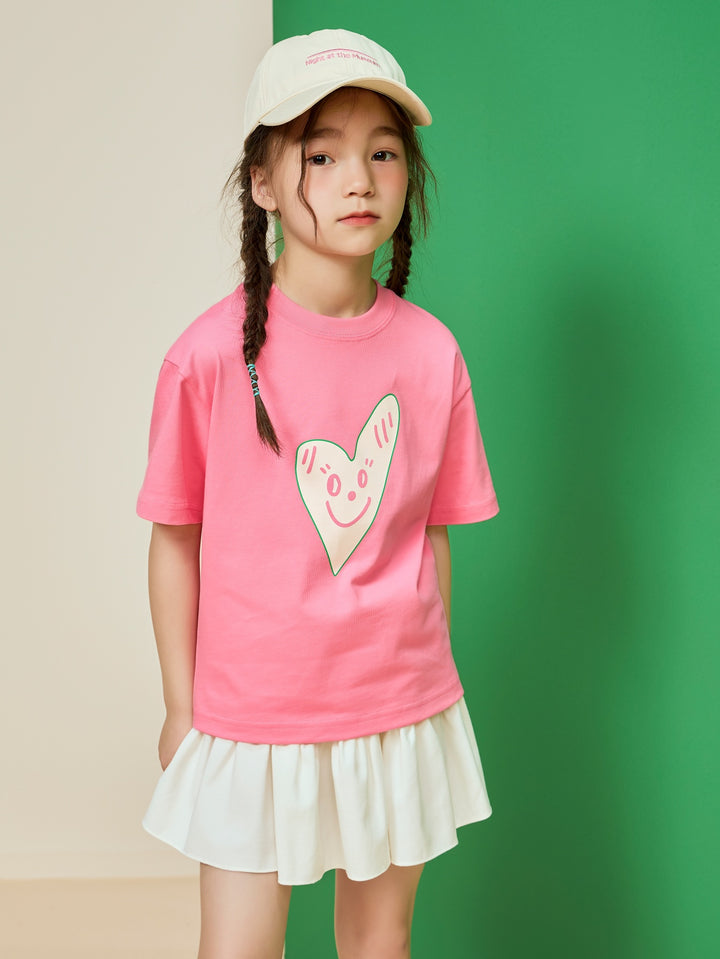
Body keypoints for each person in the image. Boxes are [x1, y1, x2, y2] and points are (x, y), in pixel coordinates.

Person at [137, 27, 499, 959]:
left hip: (396, 709)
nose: (359, 180)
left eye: (384, 153)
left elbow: (431, 537)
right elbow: (175, 537)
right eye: (323, 153)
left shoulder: (432, 353)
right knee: (239, 946)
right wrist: (181, 705)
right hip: (251, 711)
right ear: (262, 181)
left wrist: (424, 683)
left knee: (380, 942)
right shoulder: (207, 356)